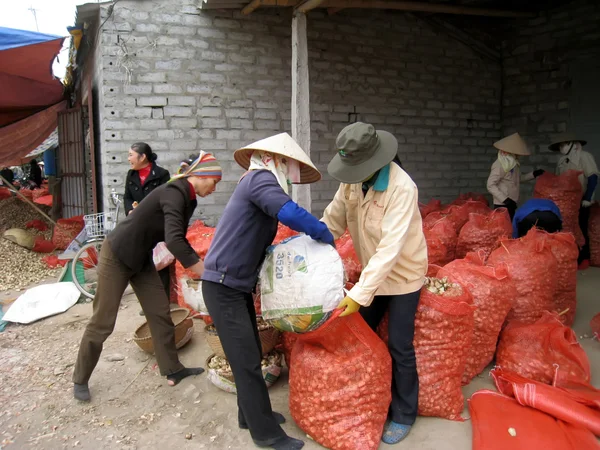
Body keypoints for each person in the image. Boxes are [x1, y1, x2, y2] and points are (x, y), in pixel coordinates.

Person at [201, 133, 334, 450]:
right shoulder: (260, 179)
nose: (291, 171)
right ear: (277, 160)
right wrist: (324, 233)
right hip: (222, 285)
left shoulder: (257, 182)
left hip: (233, 285)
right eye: (289, 164)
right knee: (246, 360)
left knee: (246, 355)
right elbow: (290, 214)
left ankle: (249, 416)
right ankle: (266, 435)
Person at [72, 152, 222, 402]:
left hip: (141, 257)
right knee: (103, 321)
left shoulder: (189, 199)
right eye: (214, 181)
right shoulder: (174, 192)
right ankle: (80, 378)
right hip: (117, 254)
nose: (214, 188)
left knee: (160, 312)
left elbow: (173, 236)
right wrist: (206, 273)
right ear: (200, 174)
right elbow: (174, 240)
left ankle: (172, 369)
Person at [320, 122, 428, 444]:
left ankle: (405, 412)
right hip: (372, 272)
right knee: (358, 333)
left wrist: (358, 294)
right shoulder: (353, 182)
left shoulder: (402, 188)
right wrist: (310, 240)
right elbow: (333, 218)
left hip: (403, 276)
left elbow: (390, 250)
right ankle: (367, 397)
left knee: (399, 343)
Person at [124, 142, 171, 301]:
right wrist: (130, 209)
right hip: (138, 225)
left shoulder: (162, 174)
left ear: (143, 156)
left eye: (131, 155)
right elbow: (127, 197)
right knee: (143, 263)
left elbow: (167, 199)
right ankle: (148, 302)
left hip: (156, 224)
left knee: (161, 263)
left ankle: (163, 301)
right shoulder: (131, 175)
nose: (128, 158)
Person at [549, 132, 599, 268]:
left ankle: (584, 258)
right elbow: (558, 180)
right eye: (560, 146)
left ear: (573, 144)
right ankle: (570, 257)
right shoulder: (561, 161)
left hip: (581, 199)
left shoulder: (585, 157)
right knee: (566, 229)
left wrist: (588, 198)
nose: (561, 148)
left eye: (564, 145)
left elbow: (593, 177)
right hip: (565, 201)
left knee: (581, 227)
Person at [486, 132, 544, 220]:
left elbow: (517, 179)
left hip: (511, 203)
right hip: (502, 204)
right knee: (503, 229)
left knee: (510, 228)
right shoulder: (500, 165)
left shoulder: (513, 164)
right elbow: (490, 185)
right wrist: (505, 200)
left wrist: (533, 174)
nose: (519, 155)